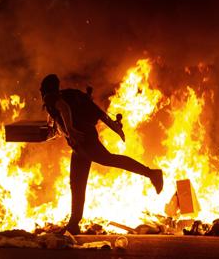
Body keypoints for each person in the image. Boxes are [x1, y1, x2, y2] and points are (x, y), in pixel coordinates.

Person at [40, 74, 163, 235]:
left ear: (45, 90)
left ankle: (152, 173)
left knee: (108, 159)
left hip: (84, 142)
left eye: (42, 90)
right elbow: (98, 113)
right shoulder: (68, 97)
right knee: (76, 182)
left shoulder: (54, 99)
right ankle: (73, 223)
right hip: (80, 144)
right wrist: (115, 127)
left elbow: (64, 109)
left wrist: (70, 129)